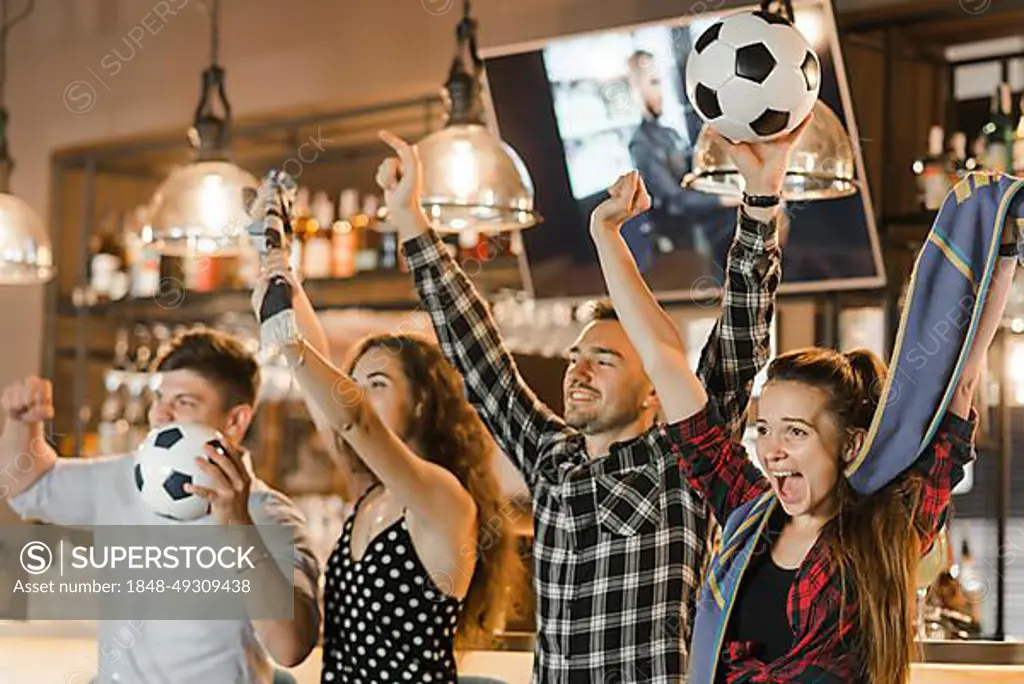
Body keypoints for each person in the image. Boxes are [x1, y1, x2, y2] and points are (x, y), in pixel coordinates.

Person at [370, 120, 801, 682]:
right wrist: (409, 219)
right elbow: (477, 353)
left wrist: (762, 201)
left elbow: (742, 332)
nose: (580, 368)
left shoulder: (684, 460)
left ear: (655, 388)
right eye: (577, 356)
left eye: (605, 359)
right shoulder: (551, 458)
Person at [592, 129, 1016, 682]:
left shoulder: (887, 525)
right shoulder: (749, 513)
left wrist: (1003, 249)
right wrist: (605, 236)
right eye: (764, 428)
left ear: (851, 444)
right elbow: (663, 355)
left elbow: (958, 384)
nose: (770, 450)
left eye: (794, 432)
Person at [250, 248, 524, 684]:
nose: (356, 395)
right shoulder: (371, 489)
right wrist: (285, 276)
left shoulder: (442, 497)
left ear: (420, 402)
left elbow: (352, 417)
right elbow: (336, 403)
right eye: (353, 382)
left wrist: (284, 335)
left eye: (376, 384)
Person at [0, 329, 321, 684]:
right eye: (158, 398)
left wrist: (237, 527)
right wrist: (22, 422)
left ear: (235, 421)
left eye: (184, 402)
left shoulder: (270, 514)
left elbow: (291, 649)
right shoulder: (122, 476)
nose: (161, 415)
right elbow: (29, 487)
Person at [625, 49, 736, 275]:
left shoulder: (669, 133)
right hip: (688, 242)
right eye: (653, 82)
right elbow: (676, 201)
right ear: (636, 88)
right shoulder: (641, 144)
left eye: (660, 81)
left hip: (708, 227)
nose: (661, 91)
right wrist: (732, 199)